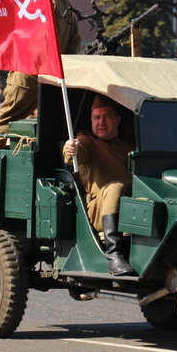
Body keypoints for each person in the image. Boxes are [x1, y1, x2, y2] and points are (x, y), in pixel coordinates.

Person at [0, 0, 82, 147]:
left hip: (52, 77)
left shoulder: (63, 3)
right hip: (26, 74)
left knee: (53, 126)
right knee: (6, 123)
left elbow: (73, 42)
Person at [62, 95, 136, 276]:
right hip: (98, 209)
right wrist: (71, 149)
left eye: (107, 116)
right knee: (115, 188)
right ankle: (114, 255)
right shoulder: (88, 141)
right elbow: (78, 150)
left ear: (118, 120)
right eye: (97, 117)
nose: (101, 122)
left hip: (132, 207)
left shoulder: (131, 146)